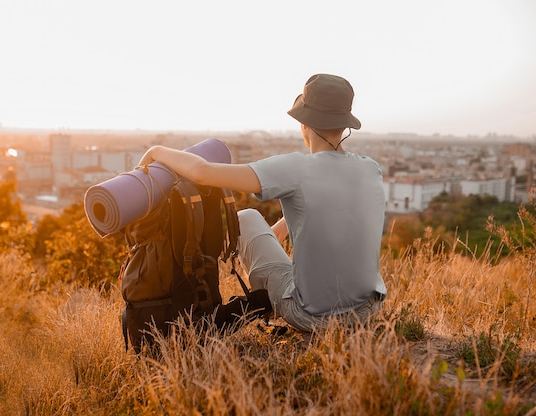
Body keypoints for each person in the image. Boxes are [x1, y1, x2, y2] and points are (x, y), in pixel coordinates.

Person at [138, 73, 386, 332]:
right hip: (367, 310)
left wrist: (156, 152)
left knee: (245, 219)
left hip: (312, 318)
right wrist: (276, 233)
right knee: (269, 232)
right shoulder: (370, 169)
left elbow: (202, 172)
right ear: (344, 125)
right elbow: (328, 208)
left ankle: (251, 309)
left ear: (304, 124)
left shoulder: (296, 168)